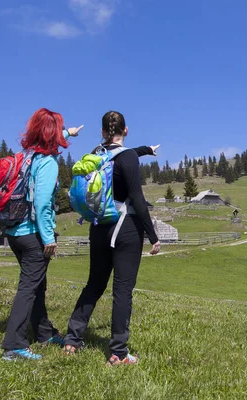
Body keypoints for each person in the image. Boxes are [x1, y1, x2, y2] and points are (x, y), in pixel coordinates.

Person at [64, 110, 161, 366]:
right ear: (125, 130)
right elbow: (137, 199)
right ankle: (118, 352)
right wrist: (153, 235)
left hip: (98, 227)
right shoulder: (127, 157)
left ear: (102, 132)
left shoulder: (96, 155)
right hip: (125, 227)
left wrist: (146, 150)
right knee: (122, 291)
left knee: (94, 285)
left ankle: (72, 340)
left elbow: (123, 156)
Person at [2, 108, 83, 361]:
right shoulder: (47, 162)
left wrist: (68, 131)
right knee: (29, 287)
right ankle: (14, 345)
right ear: (52, 134)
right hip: (33, 234)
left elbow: (52, 133)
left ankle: (44, 332)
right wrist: (48, 237)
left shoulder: (26, 155)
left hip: (15, 231)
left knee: (37, 284)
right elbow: (43, 203)